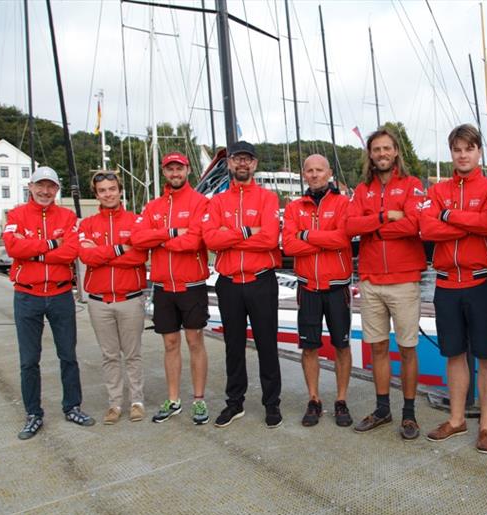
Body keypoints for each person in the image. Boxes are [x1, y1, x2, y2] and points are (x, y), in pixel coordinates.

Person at [420, 124, 487, 452]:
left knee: (486, 355)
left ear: (478, 152)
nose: (463, 155)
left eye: (469, 148)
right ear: (451, 153)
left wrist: (449, 216)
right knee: (453, 353)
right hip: (447, 284)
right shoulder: (437, 190)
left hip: (481, 280)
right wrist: (466, 222)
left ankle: (485, 425)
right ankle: (456, 420)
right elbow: (427, 229)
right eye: (457, 149)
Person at [346, 128, 427, 440]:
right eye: (376, 149)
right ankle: (383, 409)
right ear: (370, 154)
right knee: (377, 347)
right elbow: (350, 226)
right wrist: (384, 216)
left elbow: (413, 224)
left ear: (396, 152)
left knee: (407, 349)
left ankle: (408, 414)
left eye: (386, 148)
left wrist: (374, 229)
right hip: (370, 280)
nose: (381, 154)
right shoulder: (362, 189)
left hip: (404, 280)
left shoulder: (412, 184)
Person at [3, 166, 94, 440]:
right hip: (27, 295)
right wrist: (51, 244)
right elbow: (12, 247)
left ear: (57, 189)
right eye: (40, 186)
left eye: (51, 187)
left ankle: (72, 406)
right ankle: (33, 413)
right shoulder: (16, 214)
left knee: (68, 355)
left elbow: (71, 251)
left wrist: (34, 248)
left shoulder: (67, 217)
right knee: (29, 360)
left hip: (60, 294)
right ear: (30, 186)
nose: (45, 191)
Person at [203, 141, 283, 429]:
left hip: (261, 281)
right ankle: (234, 403)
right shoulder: (217, 202)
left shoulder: (268, 198)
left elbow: (270, 239)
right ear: (230, 163)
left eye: (247, 159)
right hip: (229, 284)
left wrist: (230, 233)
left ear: (255, 164)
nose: (242, 164)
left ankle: (272, 404)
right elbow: (211, 240)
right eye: (237, 159)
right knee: (233, 346)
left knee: (267, 345)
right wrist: (250, 230)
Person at [130, 152, 210, 425]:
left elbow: (195, 241)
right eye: (170, 169)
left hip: (192, 285)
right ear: (164, 173)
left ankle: (198, 400)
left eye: (179, 168)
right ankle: (173, 399)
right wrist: (172, 232)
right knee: (170, 343)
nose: (175, 173)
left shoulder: (200, 202)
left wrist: (160, 239)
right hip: (163, 286)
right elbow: (138, 239)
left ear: (187, 170)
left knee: (194, 341)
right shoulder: (153, 206)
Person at [282, 154, 354, 427]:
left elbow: (342, 239)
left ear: (329, 172)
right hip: (308, 287)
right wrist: (324, 240)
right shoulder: (293, 207)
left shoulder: (343, 203)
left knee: (341, 345)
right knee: (309, 347)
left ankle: (341, 399)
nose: (314, 175)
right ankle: (313, 399)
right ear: (304, 174)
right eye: (309, 170)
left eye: (319, 170)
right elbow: (289, 246)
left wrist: (306, 236)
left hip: (337, 287)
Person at [78, 170, 149, 425]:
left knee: (132, 353)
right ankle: (114, 403)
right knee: (109, 355)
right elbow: (87, 257)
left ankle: (137, 401)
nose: (108, 194)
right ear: (96, 194)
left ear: (120, 191)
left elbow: (139, 257)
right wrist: (120, 249)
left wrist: (102, 253)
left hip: (130, 299)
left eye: (112, 189)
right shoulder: (87, 224)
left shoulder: (136, 221)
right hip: (99, 301)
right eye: (102, 190)